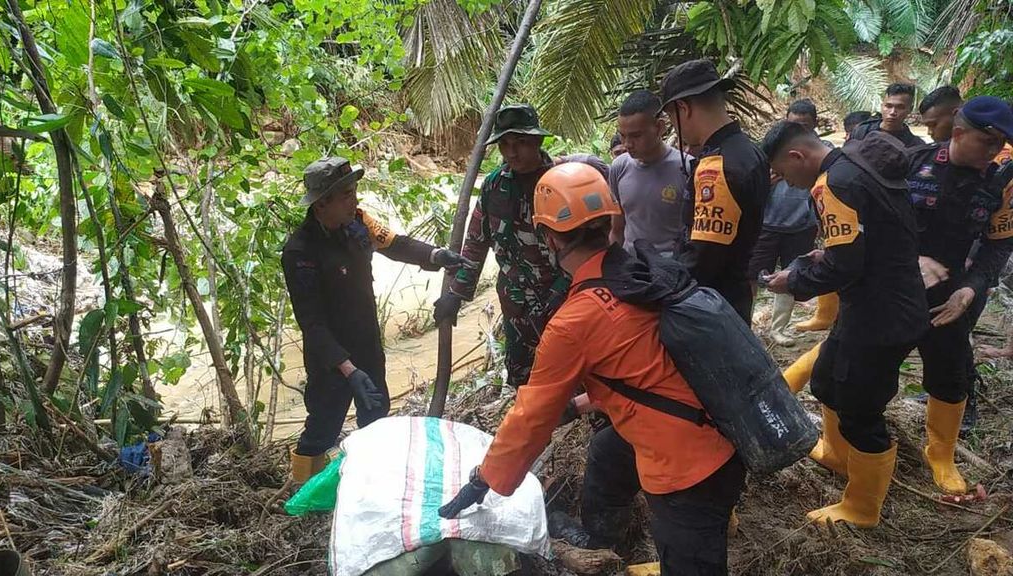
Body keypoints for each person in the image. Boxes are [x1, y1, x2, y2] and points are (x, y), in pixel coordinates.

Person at [438, 162, 744, 576]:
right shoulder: (640, 271)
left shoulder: (574, 321)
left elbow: (531, 418)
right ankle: (605, 543)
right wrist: (581, 404)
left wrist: (484, 479)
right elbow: (642, 368)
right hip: (720, 425)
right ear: (607, 222)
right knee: (607, 454)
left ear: (549, 237)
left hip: (689, 469)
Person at [762, 124, 928, 528]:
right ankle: (837, 455)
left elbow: (846, 265)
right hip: (878, 305)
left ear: (797, 157)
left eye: (782, 173)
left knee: (859, 410)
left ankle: (862, 508)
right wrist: (830, 253)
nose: (786, 182)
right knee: (825, 381)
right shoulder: (856, 163)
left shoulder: (831, 184)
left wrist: (794, 282)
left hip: (880, 317)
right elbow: (863, 242)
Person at [282, 157, 470, 482]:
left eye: (354, 191)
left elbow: (396, 244)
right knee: (323, 428)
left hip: (367, 346)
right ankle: (300, 496)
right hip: (331, 359)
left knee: (377, 418)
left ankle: (370, 483)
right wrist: (348, 370)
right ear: (321, 203)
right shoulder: (300, 252)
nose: (354, 200)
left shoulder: (358, 223)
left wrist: (435, 256)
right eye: (346, 195)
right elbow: (312, 325)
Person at [904, 96, 1013, 493]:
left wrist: (971, 288)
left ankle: (941, 455)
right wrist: (910, 258)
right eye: (988, 142)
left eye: (1001, 144)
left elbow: (997, 245)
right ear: (960, 132)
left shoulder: (999, 183)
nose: (996, 151)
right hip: (891, 288)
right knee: (862, 366)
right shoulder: (912, 163)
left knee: (950, 374)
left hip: (950, 297)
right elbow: (872, 221)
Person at [433, 104, 571, 388]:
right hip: (515, 304)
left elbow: (584, 249)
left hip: (562, 303)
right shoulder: (495, 185)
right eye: (504, 144)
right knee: (523, 383)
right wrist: (455, 294)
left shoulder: (562, 183)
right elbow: (475, 243)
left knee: (570, 377)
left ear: (537, 141)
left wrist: (561, 294)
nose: (511, 152)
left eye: (520, 143)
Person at [659, 59, 770, 324]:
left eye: (671, 118)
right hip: (734, 297)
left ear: (683, 108)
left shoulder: (717, 166)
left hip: (712, 307)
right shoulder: (750, 150)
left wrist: (664, 289)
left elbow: (704, 257)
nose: (675, 127)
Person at [749, 99, 823, 345]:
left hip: (801, 226)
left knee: (791, 277)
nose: (798, 130)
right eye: (793, 124)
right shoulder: (769, 154)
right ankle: (744, 327)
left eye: (804, 125)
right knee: (751, 276)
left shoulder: (822, 153)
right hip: (768, 224)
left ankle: (778, 328)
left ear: (814, 125)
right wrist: (765, 184)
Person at [608, 90, 692, 256]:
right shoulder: (619, 167)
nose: (627, 144)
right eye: (622, 136)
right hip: (632, 270)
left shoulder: (687, 168)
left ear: (659, 127)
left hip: (672, 270)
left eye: (636, 136)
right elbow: (617, 228)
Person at [850, 83, 926, 148]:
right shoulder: (861, 131)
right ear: (882, 106)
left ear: (910, 109)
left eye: (900, 107)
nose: (892, 112)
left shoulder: (915, 145)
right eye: (888, 106)